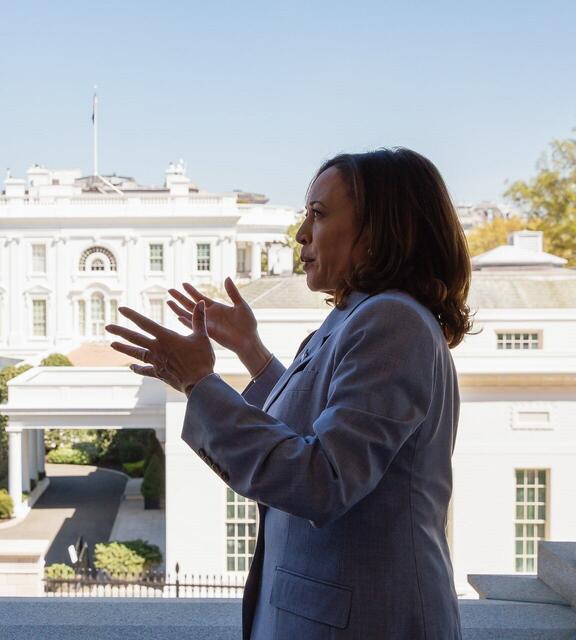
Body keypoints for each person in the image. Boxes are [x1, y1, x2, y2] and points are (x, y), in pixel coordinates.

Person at [106, 147, 471, 639]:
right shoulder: (359, 316)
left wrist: (199, 383)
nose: (300, 234)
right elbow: (311, 434)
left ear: (379, 230)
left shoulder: (392, 321)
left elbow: (322, 480)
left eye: (318, 215)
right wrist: (251, 352)